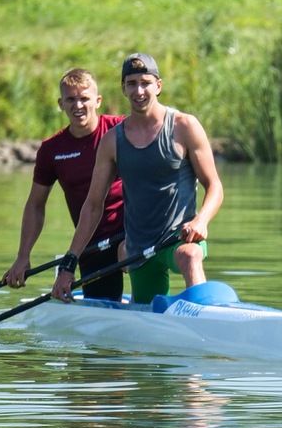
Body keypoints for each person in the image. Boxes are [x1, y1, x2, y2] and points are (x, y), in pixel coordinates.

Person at [51, 52, 224, 304]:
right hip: (140, 250)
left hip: (180, 237)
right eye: (132, 83)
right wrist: (68, 264)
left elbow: (215, 186)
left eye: (145, 82)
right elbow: (92, 206)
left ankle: (203, 312)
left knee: (189, 255)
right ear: (123, 88)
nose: (139, 90)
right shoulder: (112, 142)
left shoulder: (184, 127)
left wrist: (201, 220)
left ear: (158, 86)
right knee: (145, 305)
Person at [2, 68, 125, 300]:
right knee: (100, 309)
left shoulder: (121, 130)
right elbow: (36, 205)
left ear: (97, 101)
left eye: (84, 99)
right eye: (71, 99)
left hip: (128, 233)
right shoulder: (52, 150)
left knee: (130, 256)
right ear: (61, 103)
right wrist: (22, 256)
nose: (78, 105)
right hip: (90, 244)